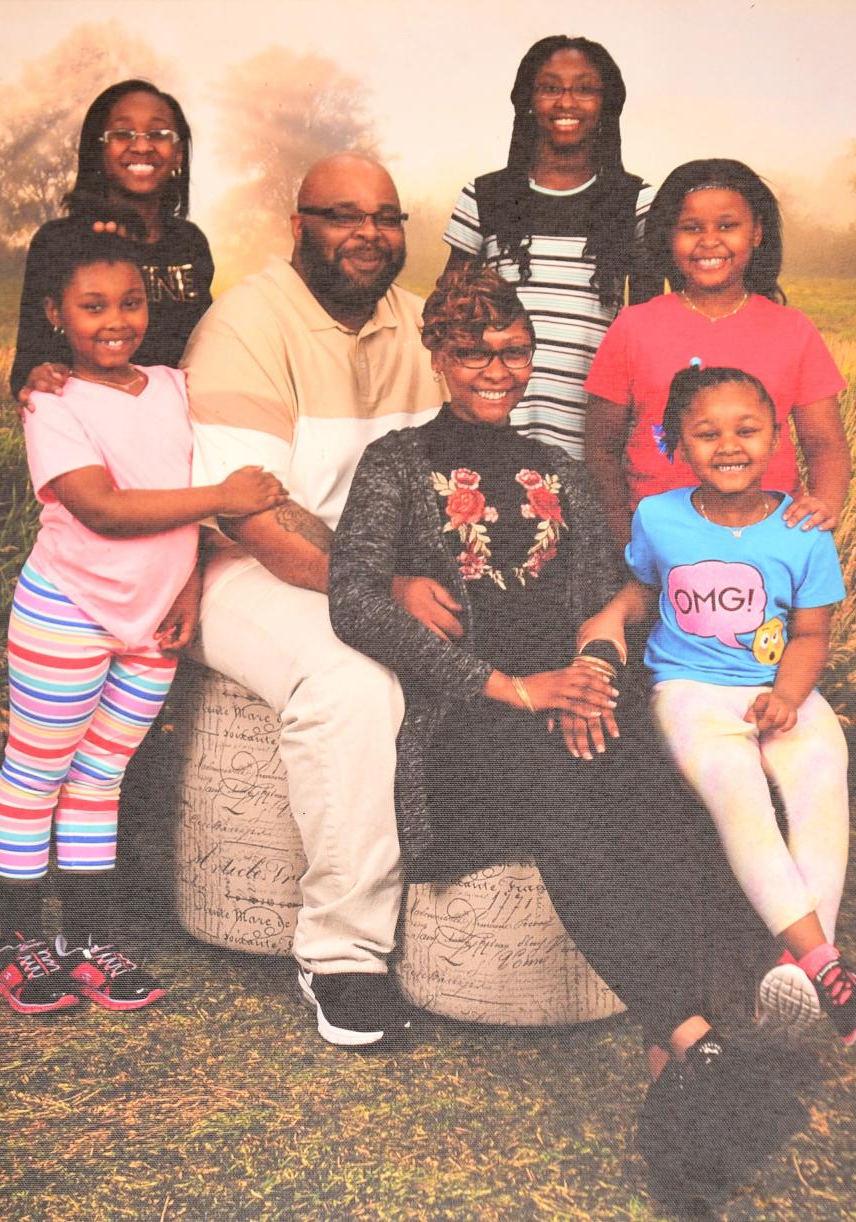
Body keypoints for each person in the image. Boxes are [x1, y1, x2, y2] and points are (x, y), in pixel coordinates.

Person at [329, 267, 784, 1193]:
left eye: (515, 349)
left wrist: (594, 669)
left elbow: (625, 587)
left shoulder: (564, 470)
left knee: (670, 794)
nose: (498, 367)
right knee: (567, 790)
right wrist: (513, 688)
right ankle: (698, 1045)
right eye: (473, 350)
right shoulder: (396, 465)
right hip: (469, 722)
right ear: (438, 356)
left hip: (576, 696)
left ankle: (679, 1076)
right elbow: (352, 601)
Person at [0, 228, 286, 1015]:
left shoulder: (171, 385)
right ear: (55, 313)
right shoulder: (52, 401)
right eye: (92, 306)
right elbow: (105, 508)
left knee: (100, 779)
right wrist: (226, 495)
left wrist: (186, 587)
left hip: (152, 623)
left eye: (131, 302)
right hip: (70, 614)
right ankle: (15, 943)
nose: (115, 319)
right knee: (38, 774)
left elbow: (172, 497)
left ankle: (85, 941)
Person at [182, 153, 443, 1049]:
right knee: (351, 681)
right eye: (343, 215)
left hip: (381, 570)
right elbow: (260, 522)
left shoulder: (420, 324)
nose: (368, 234)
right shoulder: (248, 324)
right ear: (299, 226)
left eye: (386, 216)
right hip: (247, 572)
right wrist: (388, 592)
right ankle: (343, 955)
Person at [581, 363, 856, 1046]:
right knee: (737, 789)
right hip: (689, 691)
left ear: (777, 436)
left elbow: (812, 633)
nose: (729, 445)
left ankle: (806, 963)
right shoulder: (658, 518)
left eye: (747, 429)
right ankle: (827, 970)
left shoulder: (803, 527)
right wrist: (610, 616)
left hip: (781, 686)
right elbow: (644, 591)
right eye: (707, 432)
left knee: (822, 771)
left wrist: (788, 696)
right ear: (677, 445)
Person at [584, 159, 851, 551]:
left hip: (769, 542)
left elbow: (825, 443)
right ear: (667, 237)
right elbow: (600, 444)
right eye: (691, 228)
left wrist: (825, 505)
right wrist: (627, 537)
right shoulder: (633, 326)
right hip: (661, 545)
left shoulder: (793, 330)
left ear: (757, 232)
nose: (709, 241)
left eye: (727, 226)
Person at [442, 35, 660, 462]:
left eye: (584, 88)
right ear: (527, 101)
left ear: (606, 106)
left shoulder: (634, 201)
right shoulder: (486, 195)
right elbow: (451, 310)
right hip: (493, 422)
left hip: (592, 428)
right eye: (549, 87)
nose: (566, 101)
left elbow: (651, 324)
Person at [10, 79, 213, 406]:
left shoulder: (190, 243)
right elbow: (27, 363)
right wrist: (36, 377)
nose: (142, 146)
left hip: (178, 417)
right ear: (97, 150)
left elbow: (205, 350)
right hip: (92, 418)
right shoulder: (60, 241)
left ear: (178, 155)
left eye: (159, 134)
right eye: (123, 134)